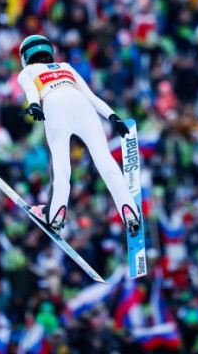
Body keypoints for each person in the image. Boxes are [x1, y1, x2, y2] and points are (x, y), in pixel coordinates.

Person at [16, 35, 141, 235]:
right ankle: (129, 211)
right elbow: (91, 96)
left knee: (61, 163)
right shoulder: (65, 66)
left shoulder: (27, 71)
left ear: (25, 56)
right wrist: (113, 116)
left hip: (54, 104)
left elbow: (31, 90)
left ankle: (56, 213)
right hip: (82, 106)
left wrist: (33, 105)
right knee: (104, 160)